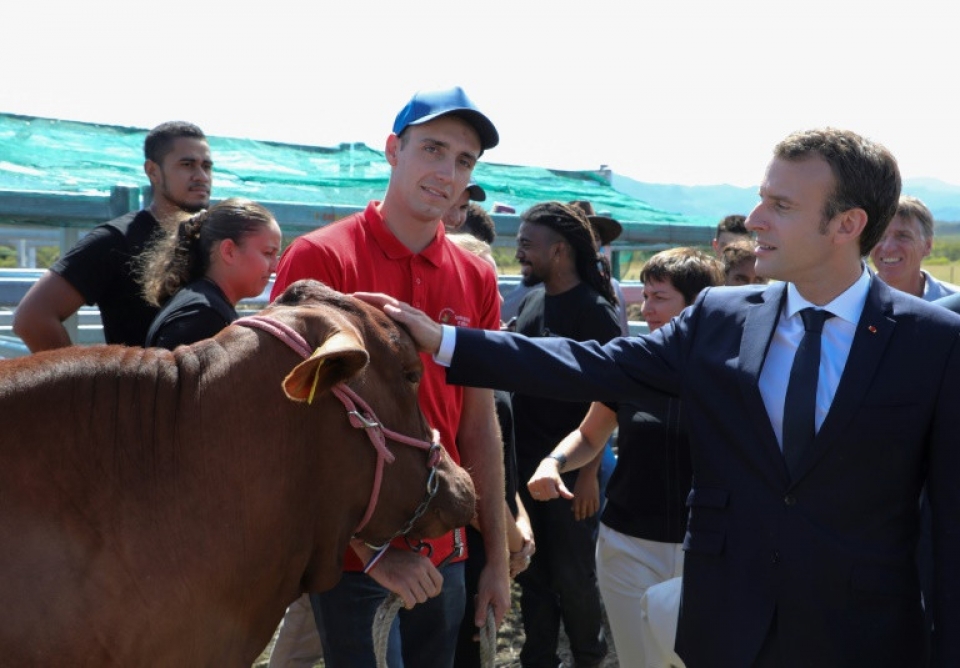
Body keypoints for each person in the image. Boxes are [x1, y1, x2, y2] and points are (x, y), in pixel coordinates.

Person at [362, 127, 960, 668]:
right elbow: (593, 363)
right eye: (760, 197)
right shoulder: (723, 318)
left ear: (847, 224)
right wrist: (447, 342)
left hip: (865, 640)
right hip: (728, 634)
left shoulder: (932, 343)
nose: (755, 219)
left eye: (780, 206)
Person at [269, 86, 509, 668]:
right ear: (392, 150)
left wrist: (496, 557)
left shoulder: (476, 275)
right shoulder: (321, 258)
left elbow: (478, 421)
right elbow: (287, 423)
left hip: (445, 544)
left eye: (464, 160)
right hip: (354, 558)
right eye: (432, 149)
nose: (446, 172)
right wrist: (373, 553)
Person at [527, 246, 722, 667]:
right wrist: (554, 462)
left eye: (660, 297)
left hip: (708, 548)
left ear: (698, 303)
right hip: (629, 545)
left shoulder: (733, 372)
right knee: (640, 661)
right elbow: (589, 434)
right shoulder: (633, 365)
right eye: (645, 295)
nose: (646, 309)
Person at [507, 201, 619, 668]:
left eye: (527, 246)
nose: (519, 256)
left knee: (574, 577)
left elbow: (609, 398)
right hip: (527, 467)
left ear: (558, 250)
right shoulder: (531, 301)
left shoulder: (595, 313)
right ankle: (537, 658)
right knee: (532, 574)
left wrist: (589, 474)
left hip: (572, 472)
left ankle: (588, 659)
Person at [13, 121, 212, 351]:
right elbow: (32, 318)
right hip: (141, 385)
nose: (201, 176)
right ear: (153, 172)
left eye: (206, 166)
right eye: (187, 165)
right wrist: (81, 385)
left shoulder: (211, 238)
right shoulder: (115, 240)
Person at [446, 231, 535, 668]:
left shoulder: (483, 361)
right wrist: (513, 541)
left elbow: (499, 460)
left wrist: (520, 514)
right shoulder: (455, 372)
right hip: (469, 550)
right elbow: (469, 472)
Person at [140, 197, 281, 349]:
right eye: (268, 253)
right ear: (228, 251)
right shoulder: (202, 316)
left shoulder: (204, 308)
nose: (275, 267)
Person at [870, 194, 958, 300]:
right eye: (879, 236)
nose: (888, 247)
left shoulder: (954, 306)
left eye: (902, 236)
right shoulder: (850, 303)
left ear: (928, 245)